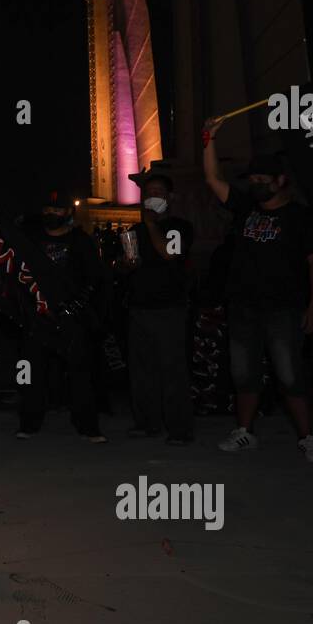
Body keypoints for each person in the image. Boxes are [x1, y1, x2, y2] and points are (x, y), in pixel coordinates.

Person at [202, 115, 313, 462]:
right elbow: (213, 178)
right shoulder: (245, 208)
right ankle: (245, 432)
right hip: (243, 305)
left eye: (262, 179)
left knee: (290, 374)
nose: (256, 184)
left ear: (280, 180)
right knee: (244, 373)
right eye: (253, 179)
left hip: (284, 307)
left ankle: (307, 437)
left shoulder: (302, 218)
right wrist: (208, 140)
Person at [16, 189, 111, 442]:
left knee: (80, 374)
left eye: (57, 210)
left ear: (69, 212)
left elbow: (94, 278)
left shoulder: (80, 241)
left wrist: (76, 306)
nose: (52, 213)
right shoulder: (32, 240)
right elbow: (17, 273)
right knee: (31, 372)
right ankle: (29, 422)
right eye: (48, 209)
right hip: (38, 317)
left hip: (71, 318)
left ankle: (88, 425)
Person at [121, 171, 194, 444]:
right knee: (141, 371)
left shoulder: (178, 227)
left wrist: (151, 225)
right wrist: (125, 266)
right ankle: (147, 422)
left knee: (173, 370)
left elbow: (170, 253)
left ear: (170, 197)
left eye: (158, 192)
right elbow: (125, 265)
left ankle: (179, 429)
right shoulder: (134, 231)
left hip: (169, 309)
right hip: (139, 308)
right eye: (148, 192)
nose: (152, 197)